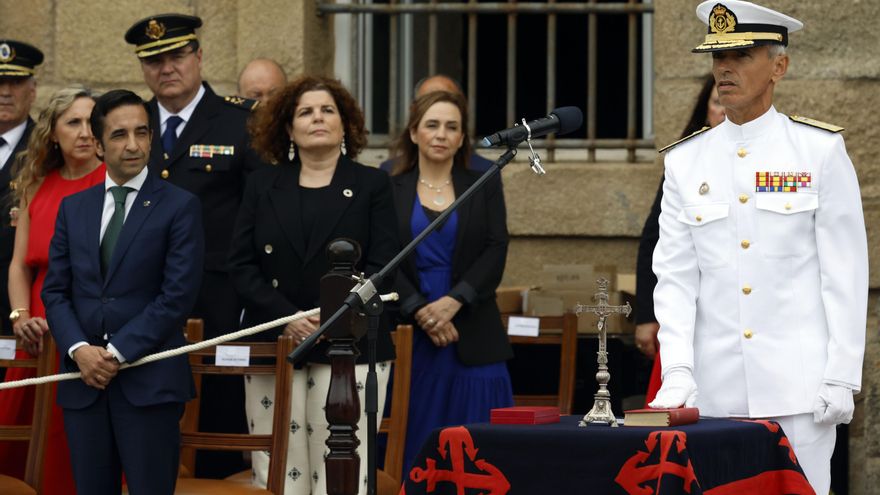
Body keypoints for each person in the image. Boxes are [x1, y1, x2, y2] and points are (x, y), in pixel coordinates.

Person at [649, 2, 867, 494]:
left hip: (799, 390)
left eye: (741, 56)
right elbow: (676, 278)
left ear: (778, 66)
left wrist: (841, 373)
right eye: (718, 57)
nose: (724, 68)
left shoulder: (817, 151)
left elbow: (845, 273)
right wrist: (678, 368)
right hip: (714, 389)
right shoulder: (686, 161)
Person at [229, 75, 398, 495]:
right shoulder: (261, 184)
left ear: (345, 125)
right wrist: (287, 317)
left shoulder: (372, 184)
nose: (317, 118)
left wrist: (333, 316)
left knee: (341, 470)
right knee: (278, 469)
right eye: (305, 112)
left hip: (351, 344)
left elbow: (384, 265)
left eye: (327, 110)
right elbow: (241, 266)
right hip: (277, 341)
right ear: (289, 129)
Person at [124, 12, 268, 477]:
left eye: (177, 56)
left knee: (216, 427)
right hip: (142, 300)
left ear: (199, 56)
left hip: (218, 299)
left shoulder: (241, 122)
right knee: (145, 422)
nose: (166, 68)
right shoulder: (131, 124)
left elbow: (260, 216)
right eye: (154, 60)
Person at [42, 89, 204, 494]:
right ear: (98, 145)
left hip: (149, 383)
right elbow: (56, 291)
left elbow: (176, 296)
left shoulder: (179, 206)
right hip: (84, 384)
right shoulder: (74, 208)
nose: (133, 145)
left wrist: (115, 353)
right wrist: (80, 350)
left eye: (141, 132)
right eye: (119, 135)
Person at [389, 90, 513, 472]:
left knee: (480, 448)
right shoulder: (389, 186)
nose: (441, 134)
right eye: (432, 125)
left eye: (452, 127)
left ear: (461, 139)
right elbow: (381, 257)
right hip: (411, 328)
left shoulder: (484, 180)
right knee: (416, 438)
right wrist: (419, 310)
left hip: (472, 326)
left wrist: (455, 300)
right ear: (414, 133)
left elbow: (496, 246)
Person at [0, 85, 105, 491]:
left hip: (90, 327)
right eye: (73, 122)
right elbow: (19, 265)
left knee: (75, 445)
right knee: (18, 440)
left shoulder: (113, 181)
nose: (85, 132)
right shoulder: (36, 186)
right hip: (38, 330)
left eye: (92, 122)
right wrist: (20, 316)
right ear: (53, 133)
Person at [635, 73, 725, 404]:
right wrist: (647, 315)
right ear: (705, 110)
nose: (724, 110)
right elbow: (655, 240)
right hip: (689, 317)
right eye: (717, 102)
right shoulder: (685, 162)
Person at [0, 40, 42, 345]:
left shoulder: (46, 149)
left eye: (15, 83)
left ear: (33, 90)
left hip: (19, 312)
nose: (5, 92)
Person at [379, 74, 494, 174]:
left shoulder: (485, 174)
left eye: (448, 100)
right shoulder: (390, 172)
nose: (441, 135)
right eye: (428, 101)